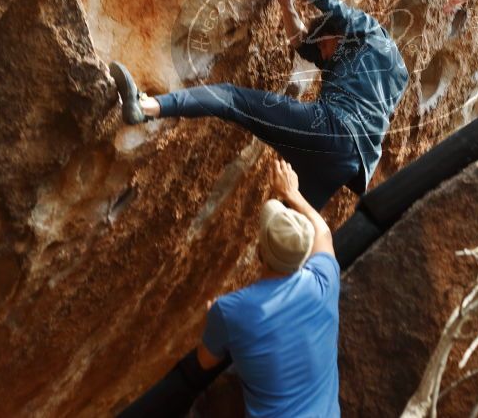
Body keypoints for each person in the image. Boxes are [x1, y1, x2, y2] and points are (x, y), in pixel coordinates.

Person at [109, 0, 409, 210]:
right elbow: (302, 45)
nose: (323, 53)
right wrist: (287, 7)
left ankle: (145, 107)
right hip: (346, 165)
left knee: (230, 97)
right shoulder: (375, 68)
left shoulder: (366, 30)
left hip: (332, 130)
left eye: (324, 45)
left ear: (336, 35)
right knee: (290, 220)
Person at [119, 158, 340, 418]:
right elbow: (323, 232)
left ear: (259, 252)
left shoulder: (232, 310)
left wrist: (217, 319)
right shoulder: (324, 281)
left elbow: (205, 361)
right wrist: (293, 194)